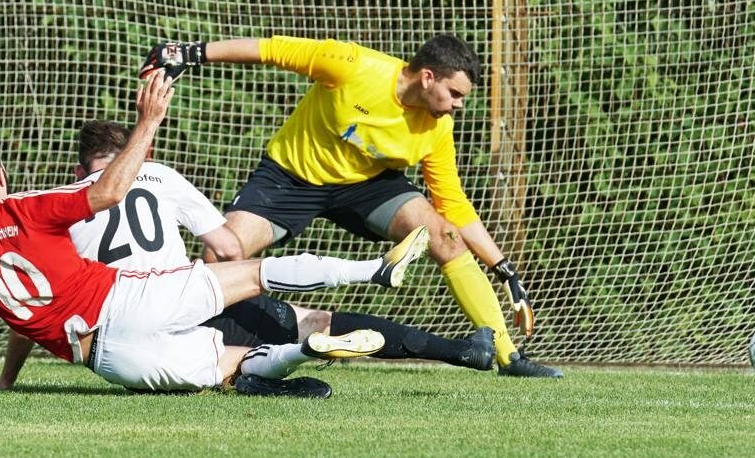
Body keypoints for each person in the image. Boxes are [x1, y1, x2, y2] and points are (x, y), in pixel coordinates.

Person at [0, 70, 430, 395]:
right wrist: (148, 120)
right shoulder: (29, 208)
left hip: (106, 357)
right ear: (1, 174)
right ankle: (374, 270)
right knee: (257, 272)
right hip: (131, 300)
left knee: (232, 364)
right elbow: (108, 192)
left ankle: (303, 352)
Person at [139, 36, 562, 377]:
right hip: (291, 178)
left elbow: (454, 205)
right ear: (427, 77)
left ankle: (507, 356)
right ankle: (184, 339)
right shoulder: (352, 65)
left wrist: (503, 268)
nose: (458, 104)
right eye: (454, 93)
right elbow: (271, 50)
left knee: (445, 236)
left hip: (368, 186)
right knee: (221, 253)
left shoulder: (437, 128)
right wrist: (191, 53)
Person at [0, 120, 496, 391]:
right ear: (136, 156)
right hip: (184, 300)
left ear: (80, 170)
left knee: (225, 365)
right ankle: (457, 348)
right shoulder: (159, 175)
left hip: (122, 334)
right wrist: (219, 284)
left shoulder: (56, 206)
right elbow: (227, 245)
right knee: (311, 320)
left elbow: (35, 312)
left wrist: (7, 379)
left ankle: (253, 377)